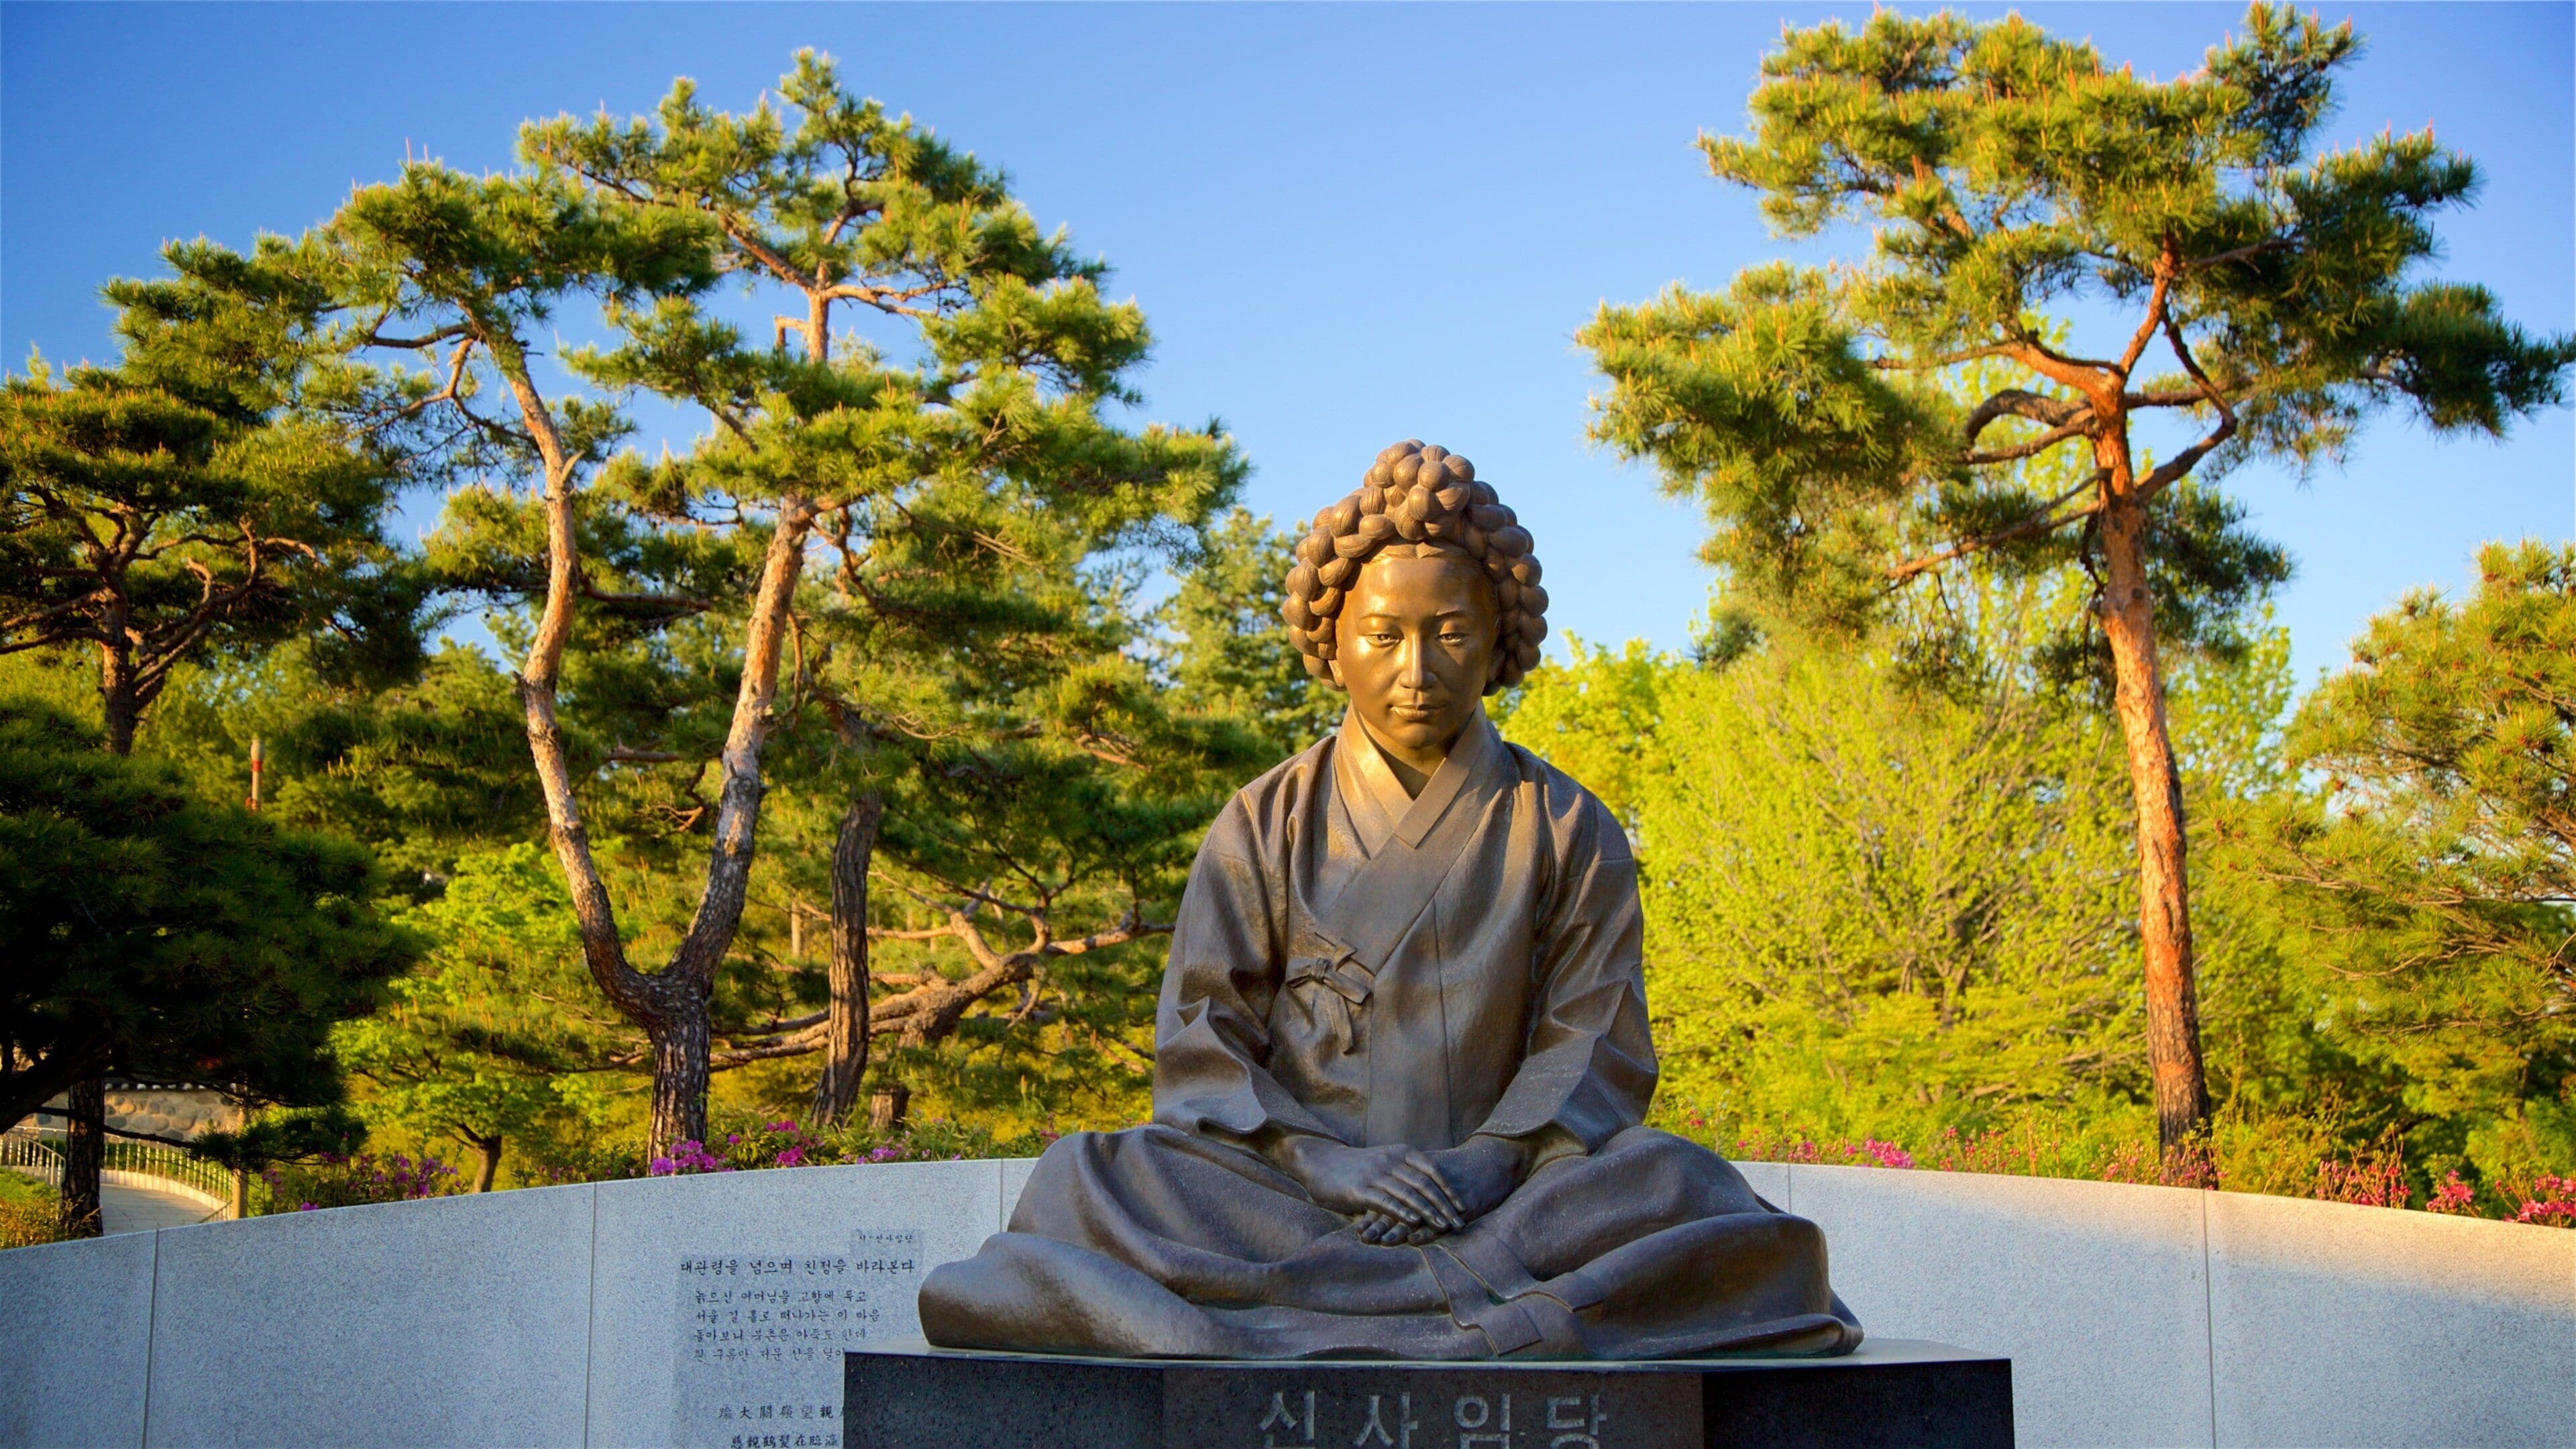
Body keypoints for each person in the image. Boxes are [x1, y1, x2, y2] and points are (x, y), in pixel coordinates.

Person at [918, 441, 1861, 1360]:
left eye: (1451, 633)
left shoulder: (1568, 824)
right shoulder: (1264, 822)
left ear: (1499, 640)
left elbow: (1595, 1037)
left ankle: (1302, 1311)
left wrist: (1490, 1160)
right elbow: (1203, 1037)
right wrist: (1323, 1163)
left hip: (1508, 1195)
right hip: (1294, 1194)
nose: (1418, 670)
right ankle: (1478, 1307)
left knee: (1678, 1184)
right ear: (1333, 644)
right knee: (1086, 1181)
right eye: (1385, 636)